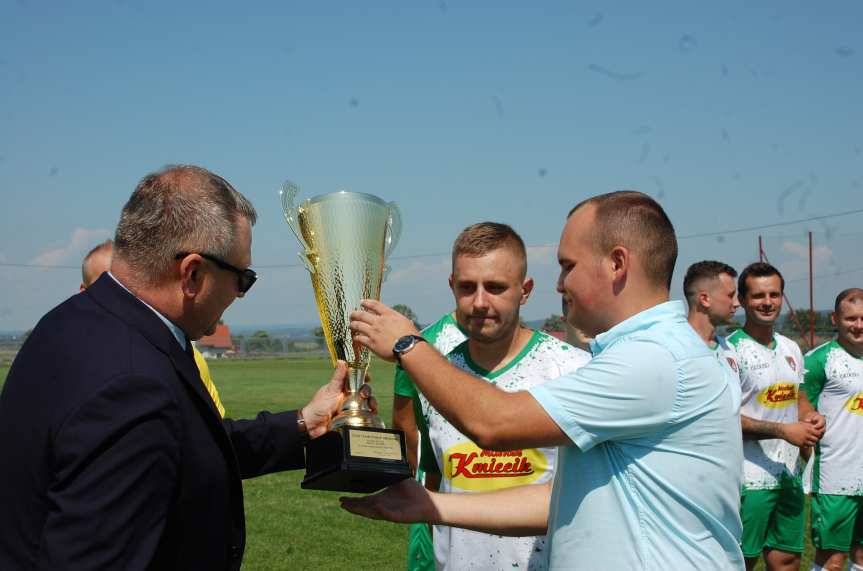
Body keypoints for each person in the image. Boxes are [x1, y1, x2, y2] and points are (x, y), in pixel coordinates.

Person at [345, 191, 745, 569]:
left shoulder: (655, 360)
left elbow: (495, 422)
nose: (560, 283)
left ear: (617, 264)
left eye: (568, 265)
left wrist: (407, 343)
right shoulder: (647, 355)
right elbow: (562, 501)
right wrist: (432, 506)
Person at [0, 165, 355, 570]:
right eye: (243, 278)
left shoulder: (72, 323)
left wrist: (302, 424)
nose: (241, 295)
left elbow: (189, 450)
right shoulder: (134, 384)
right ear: (192, 273)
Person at [418, 222, 589, 570]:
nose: (480, 302)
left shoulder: (572, 369)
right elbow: (435, 479)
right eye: (467, 287)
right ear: (452, 287)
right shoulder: (434, 378)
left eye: (495, 287)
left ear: (524, 290)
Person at [727, 262, 825, 571]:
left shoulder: (791, 347)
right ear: (742, 300)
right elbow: (725, 419)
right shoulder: (729, 351)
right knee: (739, 562)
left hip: (788, 475)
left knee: (787, 561)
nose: (767, 302)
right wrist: (784, 431)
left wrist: (811, 418)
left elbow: (800, 399)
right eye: (757, 296)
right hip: (748, 480)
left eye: (774, 294)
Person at [81, 238, 227, 417]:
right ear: (84, 292)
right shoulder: (70, 356)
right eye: (107, 288)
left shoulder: (186, 356)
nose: (119, 299)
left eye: (127, 289)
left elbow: (215, 432)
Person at [393, 309, 466, 571]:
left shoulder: (418, 343)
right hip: (435, 489)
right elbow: (405, 427)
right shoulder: (417, 346)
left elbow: (403, 425)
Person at [799, 288, 863, 571]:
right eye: (851, 318)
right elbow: (800, 413)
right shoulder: (818, 360)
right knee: (832, 561)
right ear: (835, 319)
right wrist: (807, 456)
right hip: (835, 479)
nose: (858, 325)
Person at [683, 260, 742, 378]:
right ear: (705, 299)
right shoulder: (678, 352)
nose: (737, 303)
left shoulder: (729, 348)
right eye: (730, 295)